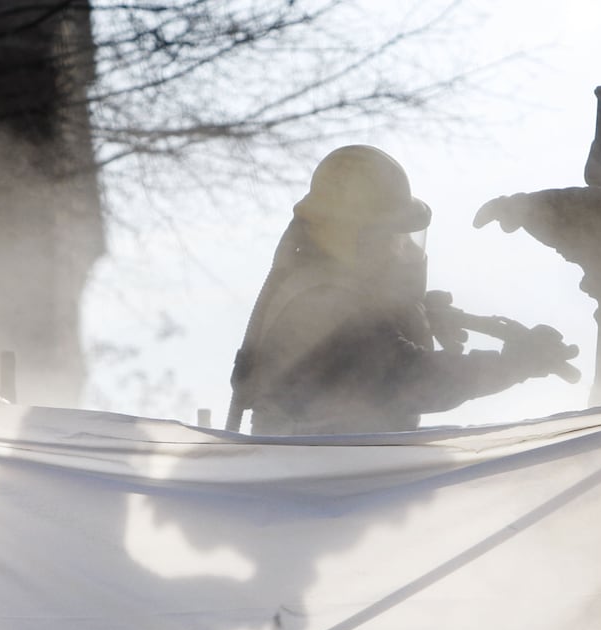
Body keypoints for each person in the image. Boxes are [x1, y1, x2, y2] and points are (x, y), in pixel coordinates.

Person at [229, 145, 577, 435]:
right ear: (352, 236)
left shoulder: (328, 289)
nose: (400, 249)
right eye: (388, 236)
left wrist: (410, 317)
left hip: (329, 489)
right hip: (316, 496)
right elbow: (414, 379)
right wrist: (515, 364)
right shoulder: (323, 303)